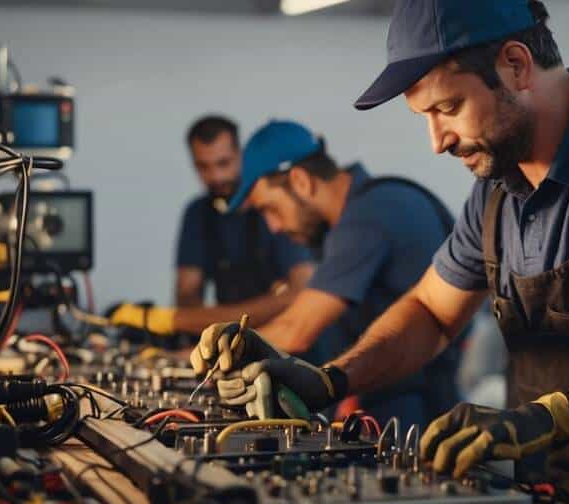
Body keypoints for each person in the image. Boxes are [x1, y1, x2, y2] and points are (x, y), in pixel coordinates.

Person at [192, 0, 569, 504]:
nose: (437, 139)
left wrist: (541, 418)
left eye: (447, 109)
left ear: (516, 65)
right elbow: (429, 312)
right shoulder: (498, 187)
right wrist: (328, 379)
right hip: (554, 501)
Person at [191, 120, 463, 429]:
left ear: (301, 181)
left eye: (270, 209)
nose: (274, 227)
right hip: (379, 399)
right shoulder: (355, 218)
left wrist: (189, 361)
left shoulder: (370, 215)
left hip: (410, 416)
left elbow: (296, 329)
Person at [108, 115, 313, 337]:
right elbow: (187, 296)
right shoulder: (198, 213)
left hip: (286, 343)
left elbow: (300, 295)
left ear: (241, 155)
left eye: (223, 163)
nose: (216, 176)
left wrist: (184, 320)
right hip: (232, 344)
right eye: (203, 167)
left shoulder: (276, 206)